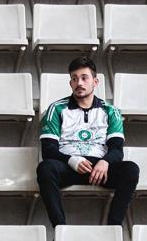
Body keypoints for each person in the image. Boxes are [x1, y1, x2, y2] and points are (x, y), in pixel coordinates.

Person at [36, 56, 139, 227]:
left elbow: (117, 149)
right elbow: (48, 150)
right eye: (74, 79)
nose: (79, 83)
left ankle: (112, 228)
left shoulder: (110, 111)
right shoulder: (57, 109)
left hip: (99, 169)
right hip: (68, 167)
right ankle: (61, 229)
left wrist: (105, 162)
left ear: (95, 81)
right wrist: (72, 160)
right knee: (45, 169)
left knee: (131, 169)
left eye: (84, 78)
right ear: (70, 84)